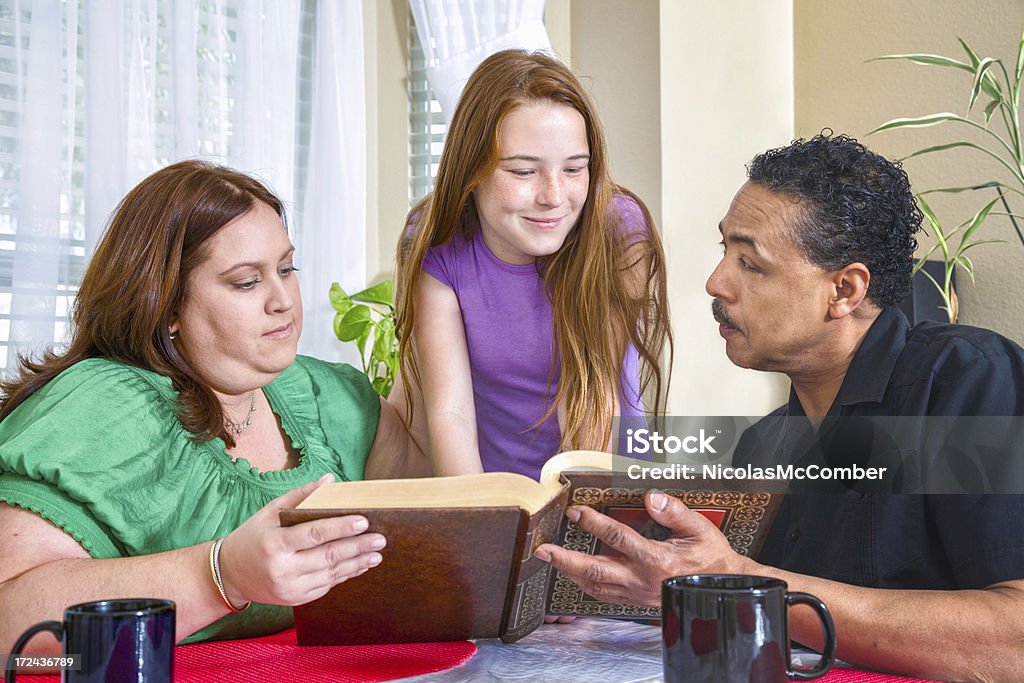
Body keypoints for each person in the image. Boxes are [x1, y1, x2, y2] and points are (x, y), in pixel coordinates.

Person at [536, 134, 1024, 682]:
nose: (716, 281)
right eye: (724, 251)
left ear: (844, 290)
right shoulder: (762, 446)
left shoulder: (967, 380)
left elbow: (1014, 642)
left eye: (751, 262)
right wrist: (637, 583)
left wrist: (740, 581)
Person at [0, 160, 430, 655]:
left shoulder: (315, 391)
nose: (282, 300)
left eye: (287, 270)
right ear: (167, 307)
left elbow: (440, 480)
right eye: (247, 282)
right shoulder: (103, 404)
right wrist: (222, 575)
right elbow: (12, 629)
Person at [390, 49, 672, 480]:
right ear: (472, 170)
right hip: (492, 485)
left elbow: (595, 400)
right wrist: (482, 525)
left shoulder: (618, 228)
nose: (554, 196)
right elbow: (450, 413)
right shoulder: (437, 240)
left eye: (574, 169)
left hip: (604, 478)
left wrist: (582, 527)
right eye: (524, 172)